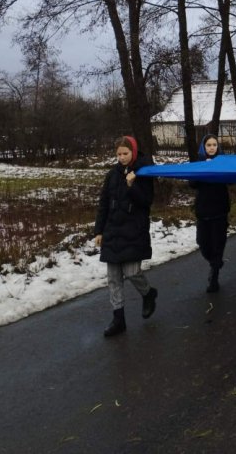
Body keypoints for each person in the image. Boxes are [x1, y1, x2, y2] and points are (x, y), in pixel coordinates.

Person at [94, 135, 158, 337]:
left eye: (125, 153)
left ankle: (148, 293)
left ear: (134, 152)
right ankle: (118, 319)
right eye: (118, 154)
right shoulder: (112, 174)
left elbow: (146, 201)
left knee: (131, 272)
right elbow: (104, 203)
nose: (121, 157)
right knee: (113, 278)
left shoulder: (144, 172)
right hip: (112, 231)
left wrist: (132, 185)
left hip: (133, 230)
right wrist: (99, 230)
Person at [189, 134, 230, 292]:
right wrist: (204, 169)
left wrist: (219, 169)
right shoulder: (199, 163)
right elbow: (192, 184)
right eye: (209, 145)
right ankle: (215, 262)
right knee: (203, 243)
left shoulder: (224, 162)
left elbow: (232, 180)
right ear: (204, 148)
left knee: (218, 244)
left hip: (220, 210)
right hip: (203, 211)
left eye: (214, 145)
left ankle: (214, 277)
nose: (212, 147)